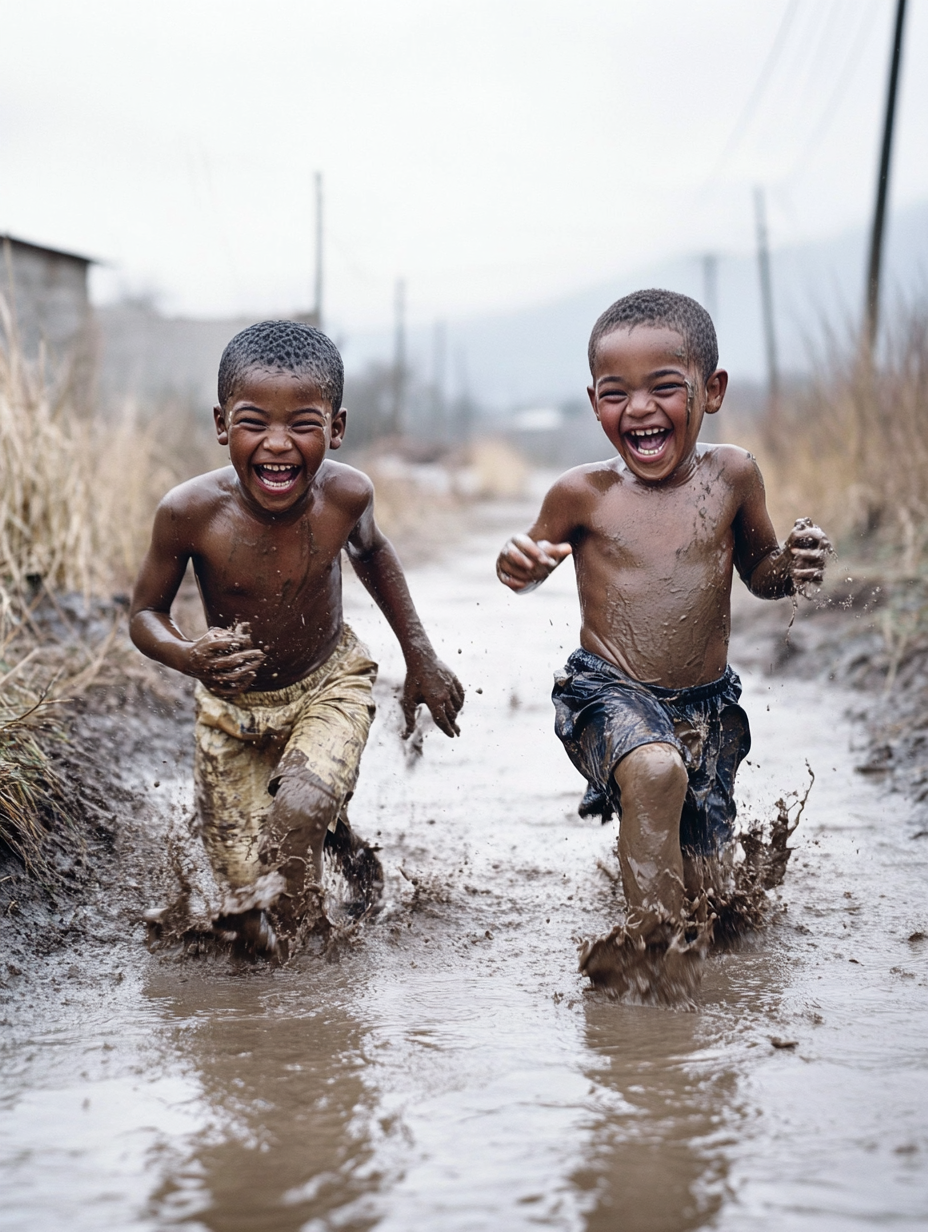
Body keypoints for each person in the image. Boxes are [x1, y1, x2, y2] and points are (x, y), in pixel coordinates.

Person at [495, 289, 829, 992]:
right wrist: (516, 568)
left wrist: (790, 567)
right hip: (607, 692)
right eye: (617, 394)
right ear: (594, 403)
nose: (639, 409)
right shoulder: (581, 494)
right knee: (654, 773)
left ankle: (675, 915)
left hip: (705, 708)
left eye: (664, 389)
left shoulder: (732, 475)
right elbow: (528, 566)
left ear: (711, 390)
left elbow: (759, 572)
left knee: (712, 896)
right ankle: (649, 959)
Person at [130, 320, 464, 956]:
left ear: (335, 428)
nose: (277, 444)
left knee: (296, 821)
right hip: (231, 716)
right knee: (246, 909)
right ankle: (331, 836)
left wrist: (419, 656)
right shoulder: (188, 512)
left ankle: (319, 973)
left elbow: (375, 556)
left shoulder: (346, 494)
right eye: (254, 422)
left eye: (303, 424)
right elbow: (145, 613)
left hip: (328, 684)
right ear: (223, 424)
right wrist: (188, 655)